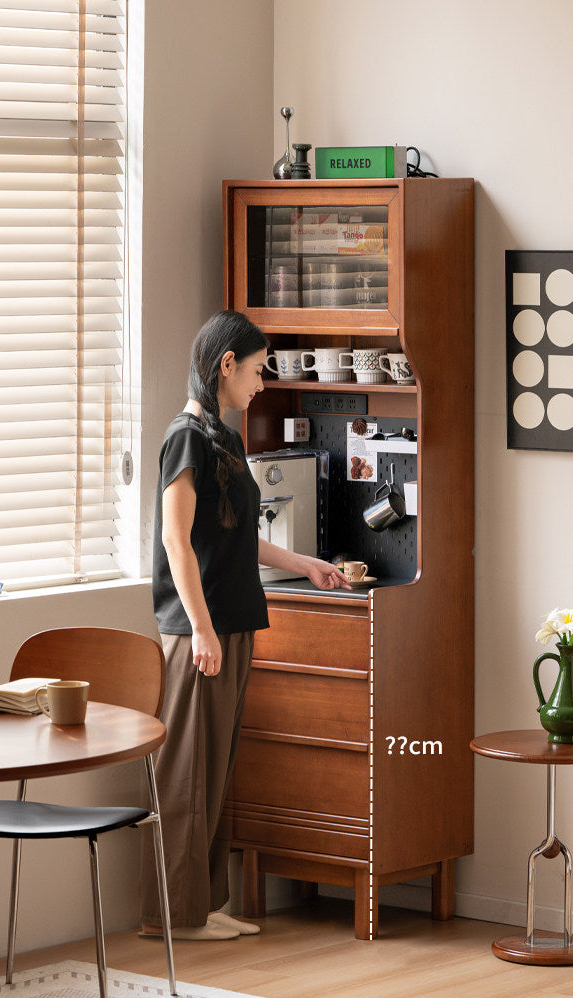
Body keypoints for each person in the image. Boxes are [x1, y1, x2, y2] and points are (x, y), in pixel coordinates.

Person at [138, 310, 350, 941]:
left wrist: (304, 563)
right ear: (225, 364)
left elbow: (241, 537)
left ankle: (202, 906)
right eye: (257, 371)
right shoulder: (185, 439)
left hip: (234, 620)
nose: (261, 383)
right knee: (185, 772)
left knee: (217, 768)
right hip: (198, 628)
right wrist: (200, 630)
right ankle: (172, 916)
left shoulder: (224, 437)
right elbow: (177, 542)